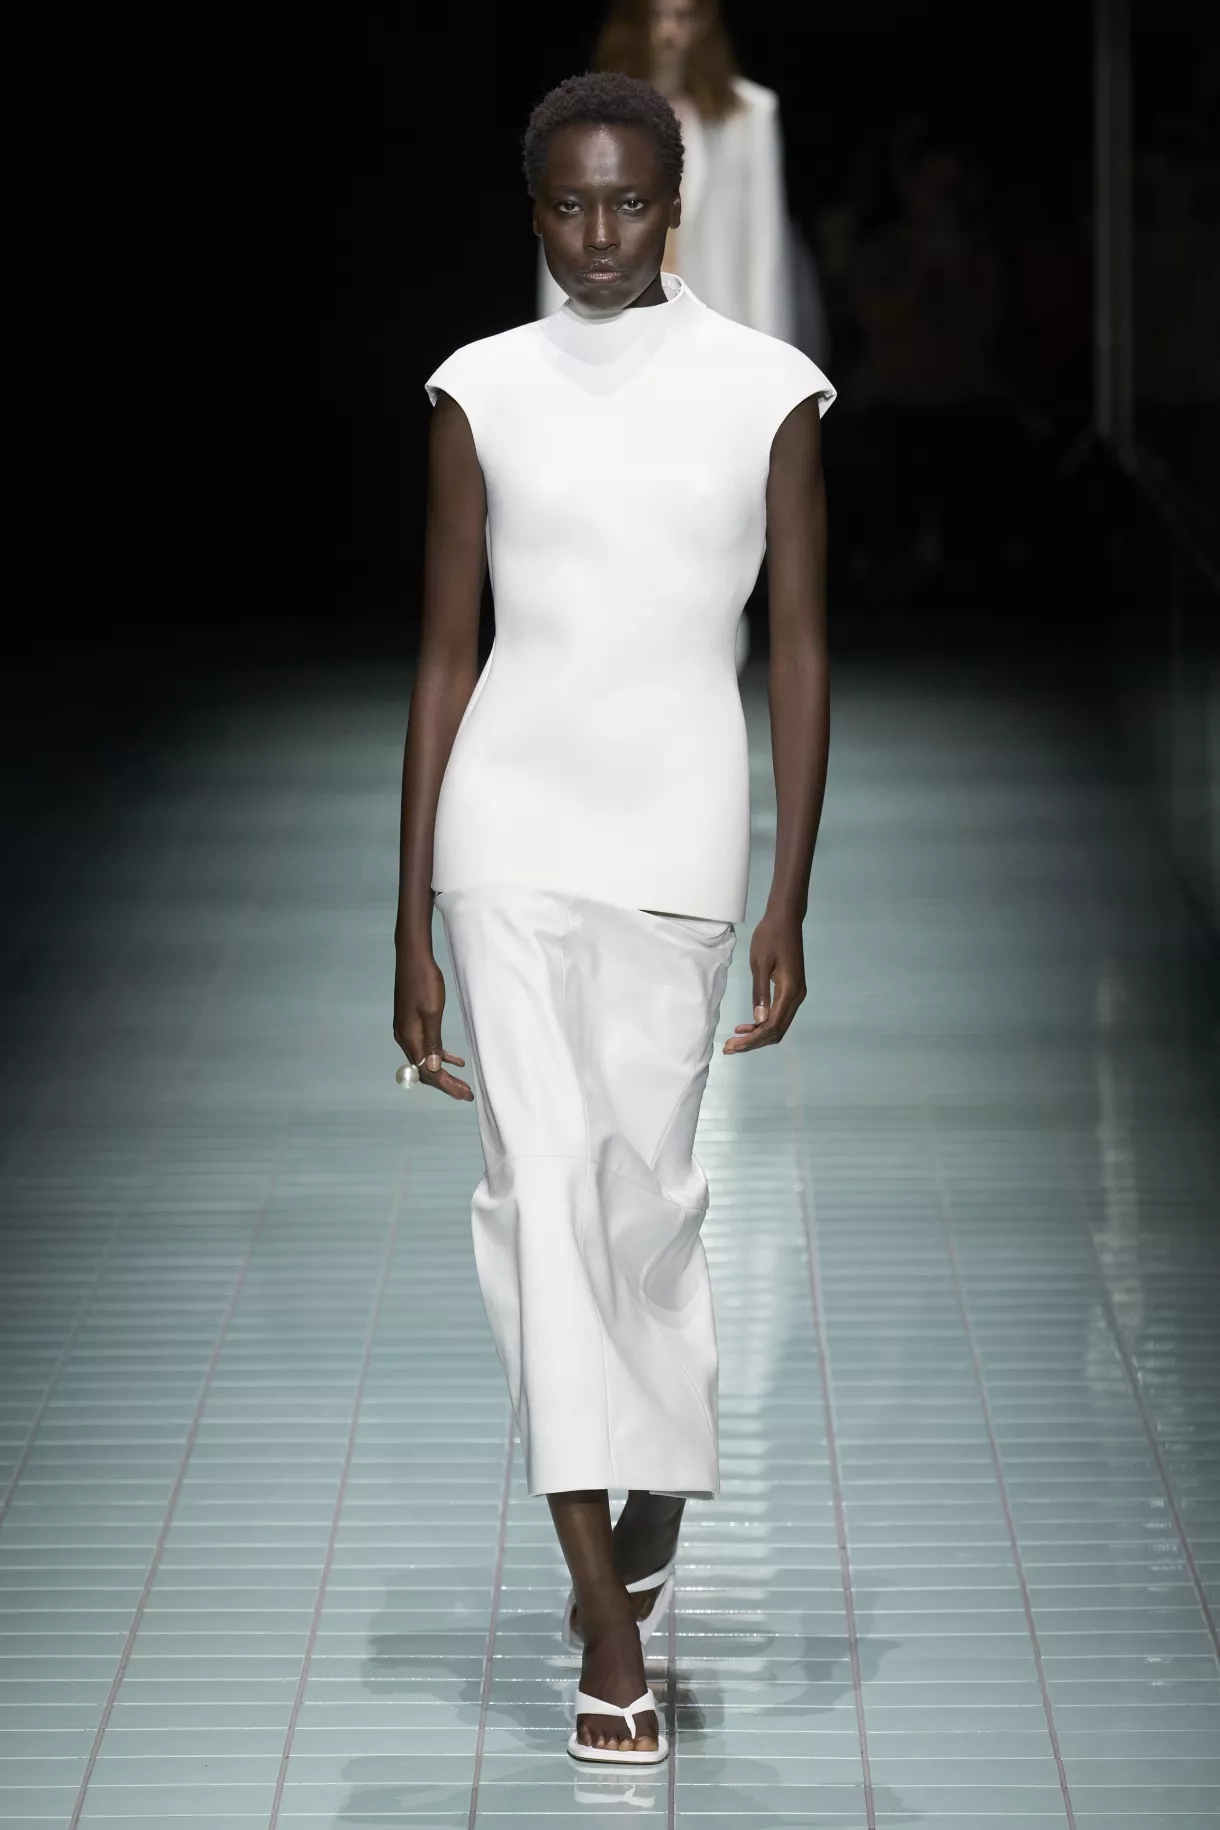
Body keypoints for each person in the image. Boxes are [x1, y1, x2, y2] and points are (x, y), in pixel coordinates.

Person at [394, 71, 833, 1766]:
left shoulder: (769, 390)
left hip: (679, 836)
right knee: (539, 1200)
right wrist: (409, 913)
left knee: (647, 1205)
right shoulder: (479, 389)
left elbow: (799, 648)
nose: (599, 234)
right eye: (570, 205)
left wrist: (791, 889)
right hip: (505, 830)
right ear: (535, 212)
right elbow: (447, 654)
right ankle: (605, 1621)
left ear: (675, 205)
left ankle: (648, 1507)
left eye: (629, 202)